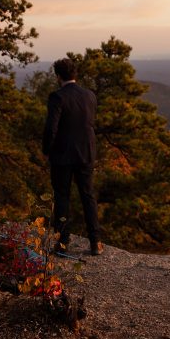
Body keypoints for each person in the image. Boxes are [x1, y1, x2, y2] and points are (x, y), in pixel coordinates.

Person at [42, 58, 103, 256]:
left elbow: (51, 128)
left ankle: (62, 243)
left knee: (62, 197)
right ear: (75, 74)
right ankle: (96, 243)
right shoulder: (89, 95)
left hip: (62, 155)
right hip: (86, 152)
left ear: (58, 76)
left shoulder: (57, 97)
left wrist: (46, 150)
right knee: (88, 196)